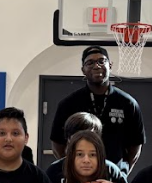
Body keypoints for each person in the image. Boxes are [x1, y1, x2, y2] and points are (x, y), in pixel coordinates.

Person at [50, 46, 145, 175]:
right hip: (79, 175)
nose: (96, 66)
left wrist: (122, 172)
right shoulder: (68, 104)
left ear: (110, 65)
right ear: (83, 70)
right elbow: (57, 143)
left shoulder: (128, 103)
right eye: (90, 63)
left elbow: (136, 144)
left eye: (102, 61)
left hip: (113, 174)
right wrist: (72, 168)